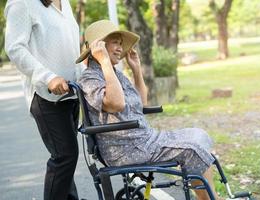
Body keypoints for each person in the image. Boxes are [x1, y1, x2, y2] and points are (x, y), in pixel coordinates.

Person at [78, 20, 219, 200]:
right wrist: (104, 61)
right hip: (125, 149)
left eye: (121, 43)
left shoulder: (114, 74)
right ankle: (209, 198)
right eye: (115, 42)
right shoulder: (90, 78)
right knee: (192, 148)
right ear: (98, 46)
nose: (120, 48)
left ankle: (209, 196)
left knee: (199, 135)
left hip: (143, 140)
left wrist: (136, 70)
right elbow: (116, 104)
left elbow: (140, 104)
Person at [4, 0, 83, 199]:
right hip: (46, 96)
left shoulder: (64, 2)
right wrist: (48, 77)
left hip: (71, 94)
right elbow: (15, 48)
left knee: (67, 161)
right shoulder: (22, 3)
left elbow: (70, 47)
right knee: (65, 156)